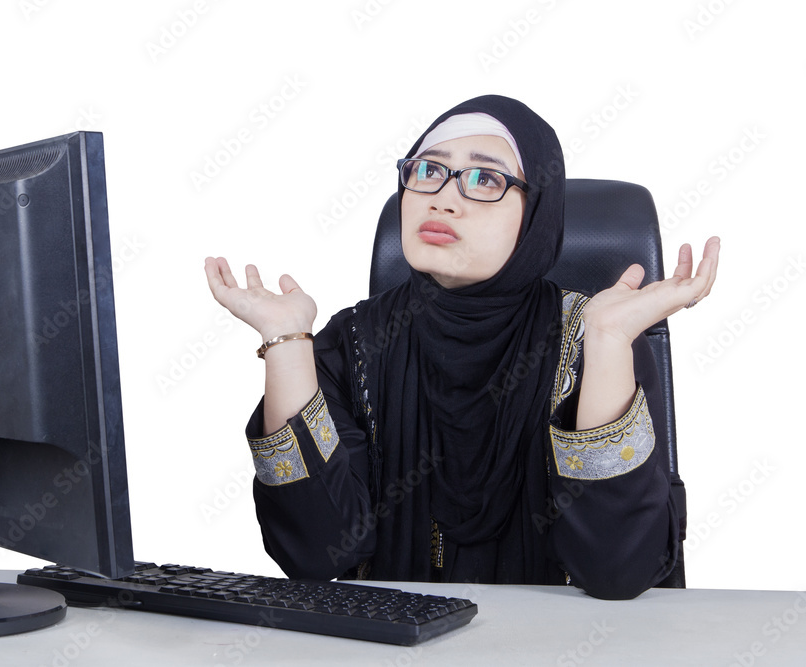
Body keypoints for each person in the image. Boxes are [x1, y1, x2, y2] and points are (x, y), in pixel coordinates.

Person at [204, 94, 720, 600]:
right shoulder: (355, 341)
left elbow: (616, 573)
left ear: (536, 214)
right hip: (397, 637)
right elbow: (315, 556)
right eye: (428, 170)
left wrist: (607, 342)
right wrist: (286, 343)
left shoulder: (595, 336)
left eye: (485, 179)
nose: (442, 198)